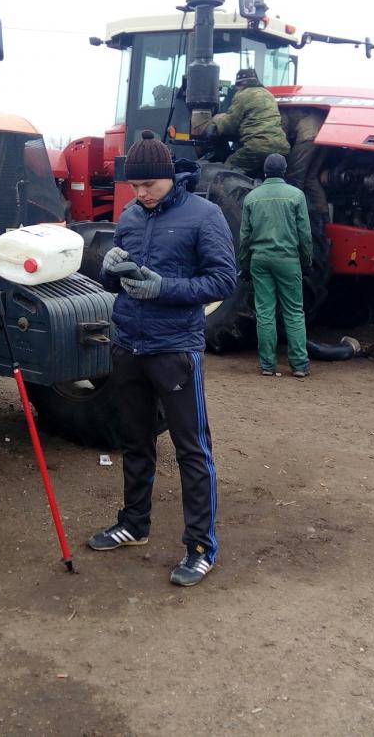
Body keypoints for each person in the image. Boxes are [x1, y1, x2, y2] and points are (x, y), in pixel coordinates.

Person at [88, 130, 237, 587]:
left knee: (192, 449)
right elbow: (120, 283)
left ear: (170, 178)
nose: (141, 195)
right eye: (134, 187)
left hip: (175, 350)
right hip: (129, 345)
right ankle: (134, 523)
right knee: (134, 442)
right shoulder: (131, 216)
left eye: (148, 186)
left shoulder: (204, 216)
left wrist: (164, 288)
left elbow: (222, 281)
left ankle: (200, 547)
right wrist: (109, 271)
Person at [238, 153, 312, 378]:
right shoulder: (296, 196)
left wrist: (245, 264)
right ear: (285, 171)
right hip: (288, 260)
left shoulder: (251, 197)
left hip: (260, 261)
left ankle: (267, 365)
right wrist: (306, 262)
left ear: (265, 172)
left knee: (265, 312)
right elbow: (305, 235)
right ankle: (299, 365)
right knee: (293, 312)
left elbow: (245, 237)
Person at [204, 68, 291, 179]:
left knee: (226, 171)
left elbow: (229, 125)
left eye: (236, 86)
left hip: (257, 147)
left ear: (240, 84)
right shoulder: (268, 94)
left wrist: (215, 122)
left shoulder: (243, 95)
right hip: (281, 147)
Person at [281, 106, 329, 224]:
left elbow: (283, 131)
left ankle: (298, 218)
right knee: (310, 178)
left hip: (307, 135)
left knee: (294, 178)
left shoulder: (277, 109)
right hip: (324, 135)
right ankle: (324, 216)